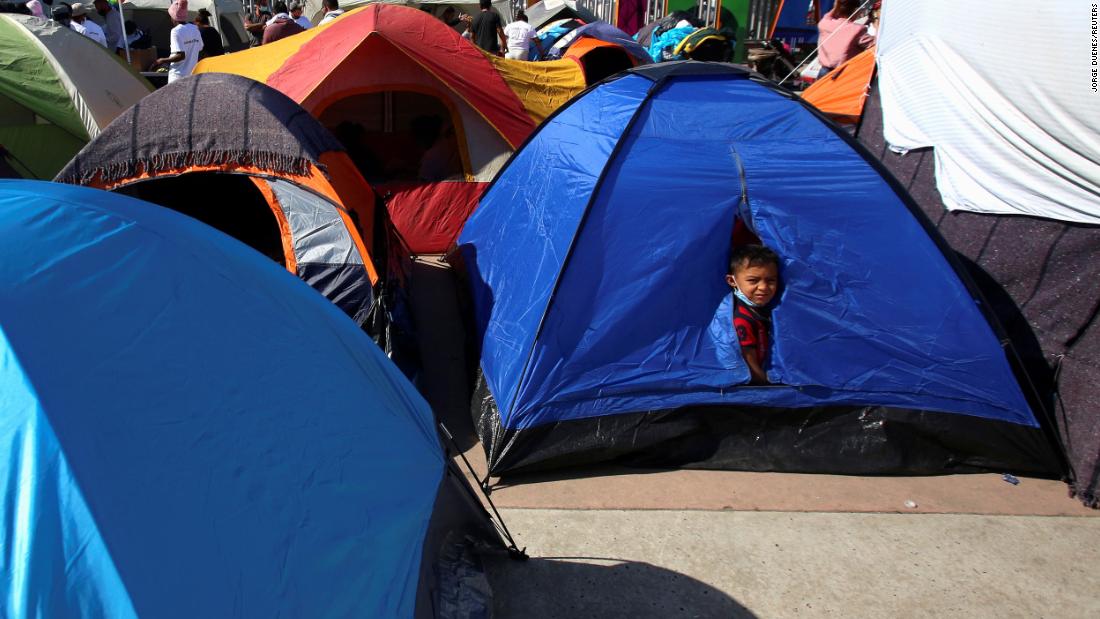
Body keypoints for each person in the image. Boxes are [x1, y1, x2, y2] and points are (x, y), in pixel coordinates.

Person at [725, 244, 779, 385]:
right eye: (753, 281)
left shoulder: (766, 310)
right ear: (732, 281)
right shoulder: (741, 319)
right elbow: (750, 369)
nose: (763, 287)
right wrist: (769, 385)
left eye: (771, 280)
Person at [816, 0, 874, 78]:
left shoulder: (824, 23)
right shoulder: (857, 30)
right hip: (843, 75)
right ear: (856, 10)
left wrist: (836, 7)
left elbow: (829, 16)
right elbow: (874, 44)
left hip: (823, 73)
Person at [151, 0, 204, 83]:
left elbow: (180, 56)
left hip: (177, 76)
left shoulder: (176, 31)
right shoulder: (194, 28)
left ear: (173, 17)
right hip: (192, 75)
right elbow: (200, 48)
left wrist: (161, 60)